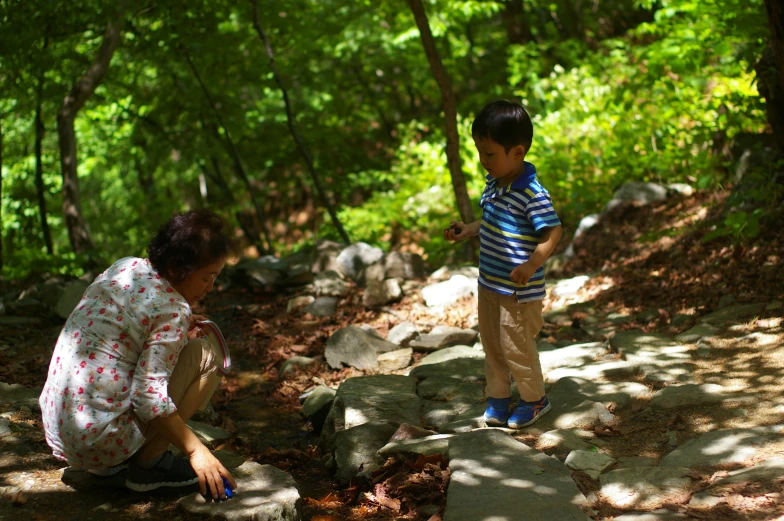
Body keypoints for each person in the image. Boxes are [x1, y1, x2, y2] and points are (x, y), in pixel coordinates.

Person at [40, 209, 238, 499]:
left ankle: (110, 467)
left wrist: (177, 334)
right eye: (208, 277)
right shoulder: (173, 309)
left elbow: (124, 340)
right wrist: (197, 451)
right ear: (180, 267)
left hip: (67, 430)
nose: (211, 287)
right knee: (207, 356)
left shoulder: (125, 268)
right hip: (101, 441)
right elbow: (148, 397)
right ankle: (150, 465)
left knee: (188, 348)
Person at [444, 100, 562, 429]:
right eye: (480, 152)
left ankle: (535, 399)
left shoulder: (532, 193)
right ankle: (498, 396)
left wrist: (531, 263)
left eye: (490, 154)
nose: (484, 161)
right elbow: (493, 221)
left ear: (518, 152)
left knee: (516, 346)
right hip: (489, 284)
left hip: (519, 290)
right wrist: (469, 229)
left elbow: (554, 231)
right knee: (492, 344)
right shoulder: (496, 184)